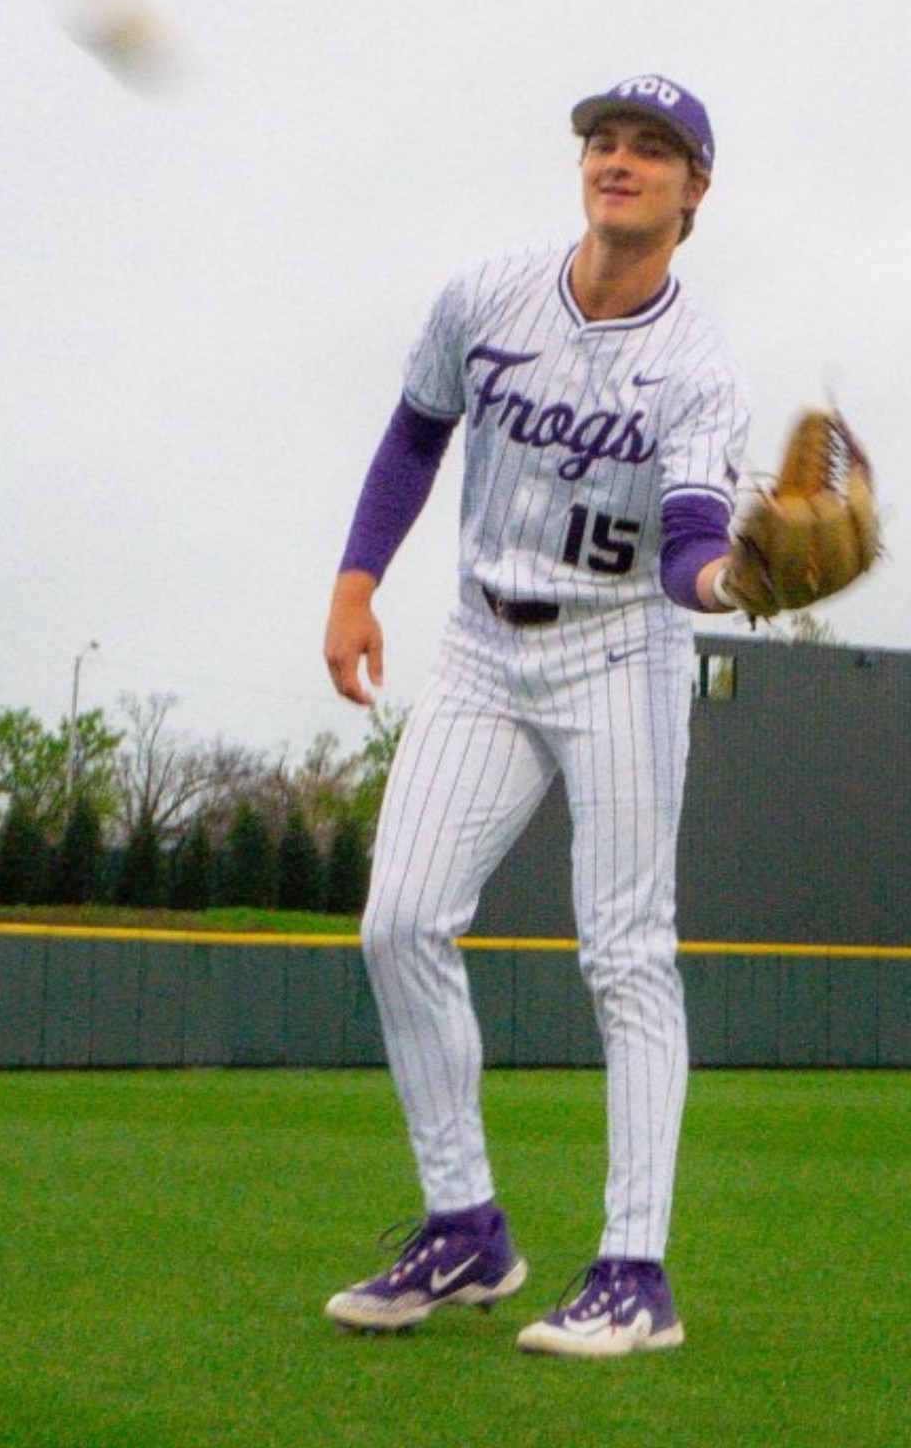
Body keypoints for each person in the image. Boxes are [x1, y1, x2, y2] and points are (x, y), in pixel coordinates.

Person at [322, 73, 750, 1358]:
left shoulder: (697, 368)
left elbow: (689, 546)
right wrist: (354, 584)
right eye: (602, 140)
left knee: (625, 951)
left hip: (621, 648)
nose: (617, 159)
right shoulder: (488, 295)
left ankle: (634, 1272)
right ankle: (465, 1225)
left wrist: (732, 581)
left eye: (650, 148)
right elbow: (414, 436)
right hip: (478, 642)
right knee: (399, 918)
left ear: (694, 188)